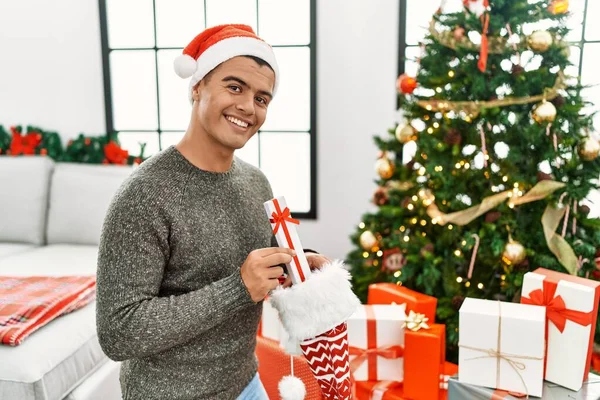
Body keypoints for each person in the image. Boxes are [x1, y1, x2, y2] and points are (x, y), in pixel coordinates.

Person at [96, 24, 329, 400]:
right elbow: (118, 332)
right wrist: (238, 289)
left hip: (245, 384)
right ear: (197, 86)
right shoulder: (144, 195)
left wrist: (297, 263)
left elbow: (255, 265)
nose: (247, 107)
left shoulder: (256, 183)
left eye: (262, 98)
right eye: (234, 87)